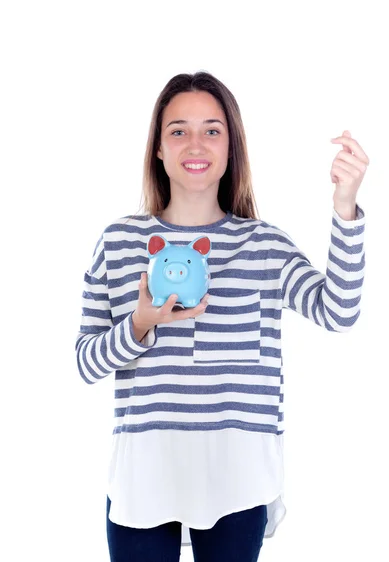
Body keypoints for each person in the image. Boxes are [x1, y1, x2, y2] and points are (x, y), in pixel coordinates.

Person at [75, 71, 369, 562]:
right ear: (158, 149)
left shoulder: (264, 245)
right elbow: (86, 363)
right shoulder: (120, 242)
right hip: (144, 473)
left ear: (231, 148)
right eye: (178, 130)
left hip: (237, 472)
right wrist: (139, 325)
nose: (196, 143)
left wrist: (345, 210)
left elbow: (338, 311)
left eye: (212, 130)